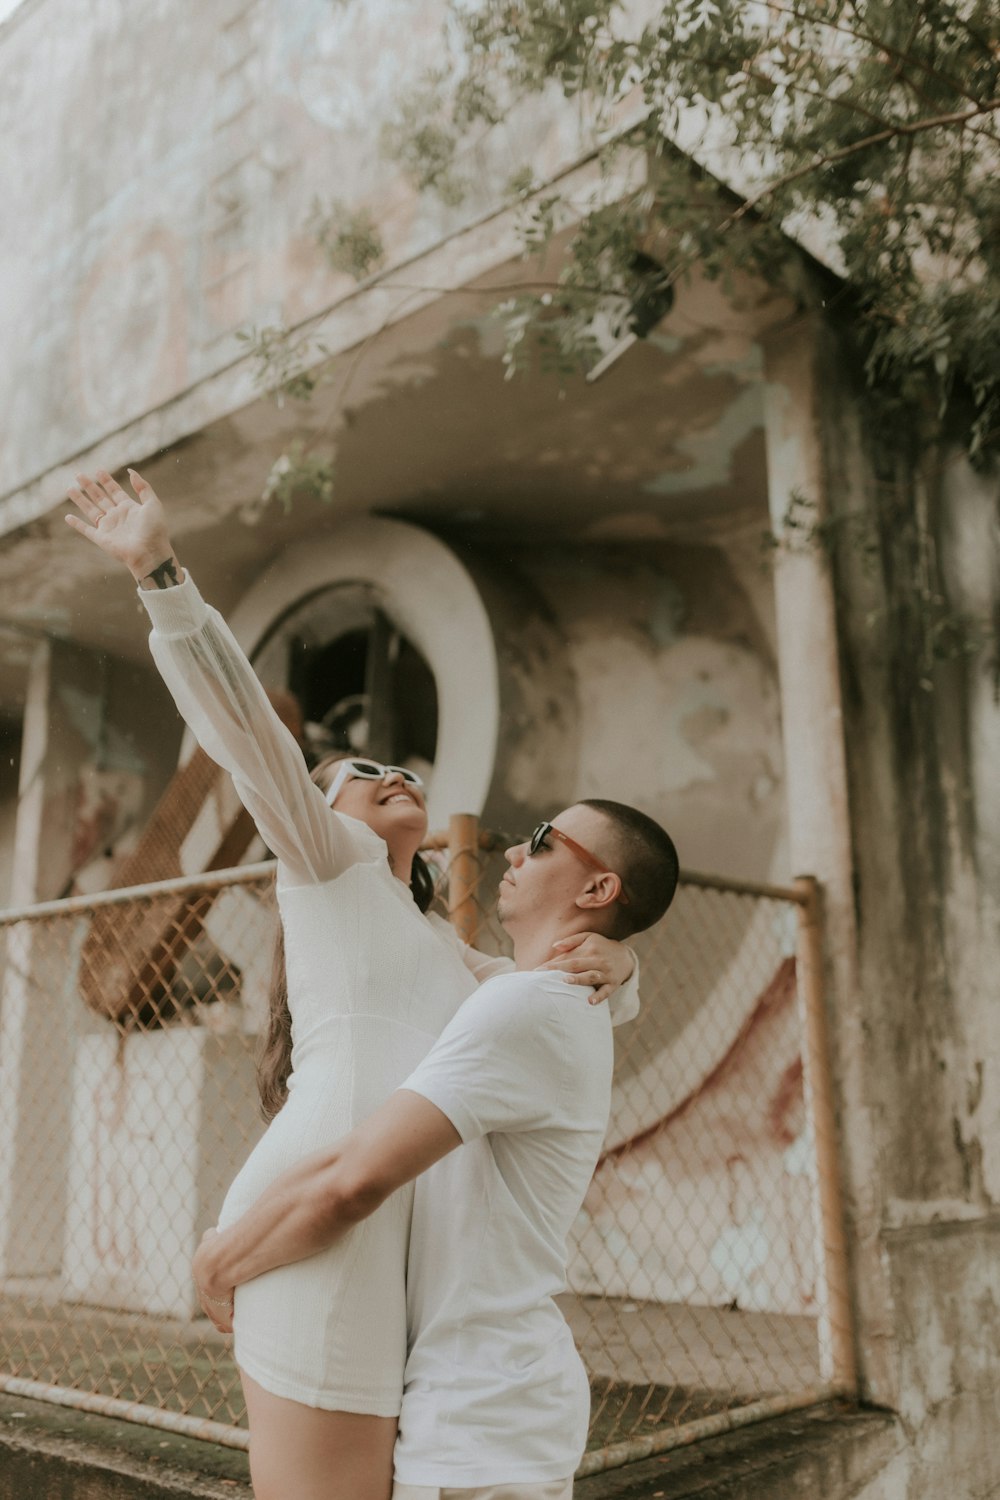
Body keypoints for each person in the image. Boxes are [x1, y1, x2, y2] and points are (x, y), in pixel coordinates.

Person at [65, 469, 640, 1500]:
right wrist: (159, 571)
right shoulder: (327, 870)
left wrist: (623, 963)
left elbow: (546, 995)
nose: (391, 773)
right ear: (317, 817)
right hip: (310, 1216)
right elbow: (249, 736)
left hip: (384, 1242)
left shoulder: (433, 941)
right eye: (353, 772)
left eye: (403, 767)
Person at [193, 798, 679, 1500]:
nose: (513, 853)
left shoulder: (528, 1007)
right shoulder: (545, 999)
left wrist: (222, 1262)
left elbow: (354, 1181)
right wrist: (627, 966)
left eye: (542, 841)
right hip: (482, 1411)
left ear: (598, 890)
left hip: (480, 1422)